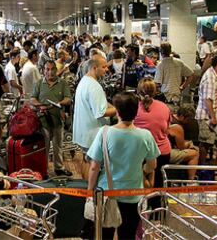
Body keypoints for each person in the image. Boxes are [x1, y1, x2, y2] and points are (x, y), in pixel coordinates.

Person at [87, 91, 159, 240]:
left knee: (103, 235)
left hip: (106, 194)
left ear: (117, 112)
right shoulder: (145, 135)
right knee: (128, 234)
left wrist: (89, 192)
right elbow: (152, 165)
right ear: (136, 111)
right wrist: (141, 171)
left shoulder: (104, 133)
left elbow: (94, 166)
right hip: (133, 195)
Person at [73, 54, 116, 179]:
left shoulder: (85, 81)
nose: (107, 69)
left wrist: (113, 105)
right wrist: (119, 109)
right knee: (92, 165)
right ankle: (90, 193)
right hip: (92, 134)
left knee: (86, 161)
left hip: (84, 132)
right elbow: (101, 112)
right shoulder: (94, 86)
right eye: (104, 67)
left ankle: (87, 191)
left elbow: (100, 102)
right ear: (94, 68)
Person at [134, 77, 171, 207]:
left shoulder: (133, 108)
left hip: (140, 154)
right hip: (162, 152)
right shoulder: (164, 107)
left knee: (140, 184)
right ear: (155, 92)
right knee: (159, 184)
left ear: (138, 91)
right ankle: (157, 212)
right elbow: (167, 130)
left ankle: (140, 210)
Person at [31, 60, 72, 176]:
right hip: (43, 121)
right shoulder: (39, 83)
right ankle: (43, 170)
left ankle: (59, 168)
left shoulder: (62, 83)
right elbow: (32, 98)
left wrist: (59, 103)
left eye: (52, 69)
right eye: (47, 69)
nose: (50, 72)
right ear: (43, 70)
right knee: (44, 147)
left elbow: (68, 98)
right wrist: (40, 105)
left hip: (58, 120)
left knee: (58, 145)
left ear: (56, 70)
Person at [195, 52, 217, 165]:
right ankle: (203, 168)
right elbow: (208, 99)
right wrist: (213, 117)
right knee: (206, 143)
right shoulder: (209, 77)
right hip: (207, 118)